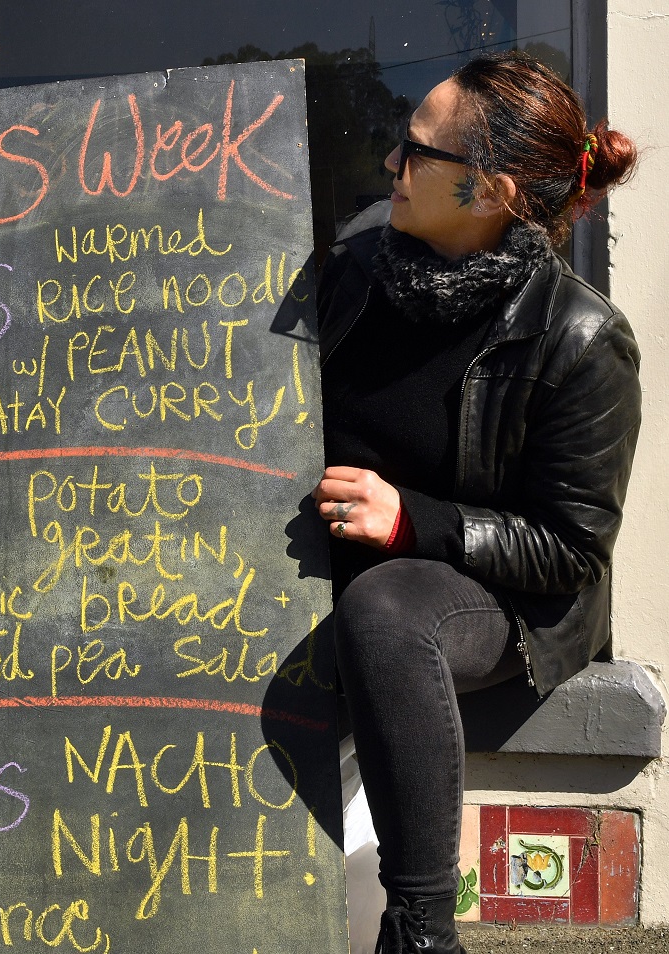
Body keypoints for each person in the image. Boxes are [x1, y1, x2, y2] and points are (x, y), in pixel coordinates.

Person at [313, 50, 640, 954]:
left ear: (490, 191)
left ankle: (421, 930)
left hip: (490, 597)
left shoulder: (582, 340)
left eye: (417, 153)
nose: (390, 166)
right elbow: (198, 279)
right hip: (334, 558)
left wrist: (414, 521)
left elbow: (570, 550)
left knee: (384, 610)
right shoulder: (353, 267)